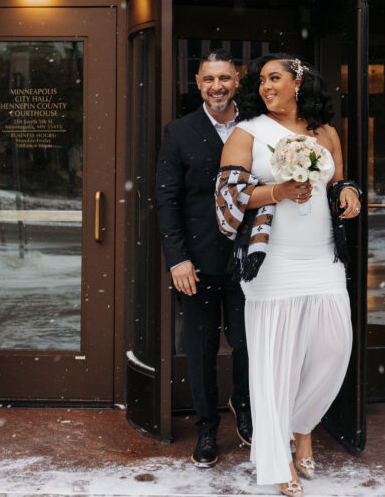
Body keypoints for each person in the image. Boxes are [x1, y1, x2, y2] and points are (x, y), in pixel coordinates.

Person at [215, 53, 361, 496]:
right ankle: (279, 459)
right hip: (272, 261)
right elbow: (226, 198)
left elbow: (339, 181)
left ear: (299, 83)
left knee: (334, 349)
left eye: (274, 78)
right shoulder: (248, 133)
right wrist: (277, 190)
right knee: (276, 363)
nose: (265, 87)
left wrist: (350, 193)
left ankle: (302, 426)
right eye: (261, 81)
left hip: (322, 259)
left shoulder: (326, 133)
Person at [156, 50, 252, 467]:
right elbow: (166, 199)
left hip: (250, 258)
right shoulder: (179, 132)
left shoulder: (256, 127)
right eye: (209, 79)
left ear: (238, 80)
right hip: (196, 262)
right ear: (198, 82)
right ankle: (208, 429)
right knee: (201, 349)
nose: (217, 86)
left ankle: (247, 415)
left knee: (250, 345)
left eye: (225, 78)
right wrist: (178, 259)